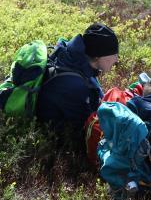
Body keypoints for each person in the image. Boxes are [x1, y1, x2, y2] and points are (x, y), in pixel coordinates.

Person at [36, 22, 119, 150]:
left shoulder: (77, 61)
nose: (116, 59)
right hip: (53, 143)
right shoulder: (74, 86)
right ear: (98, 56)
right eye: (114, 54)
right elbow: (85, 130)